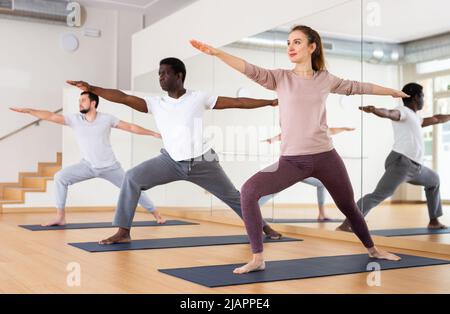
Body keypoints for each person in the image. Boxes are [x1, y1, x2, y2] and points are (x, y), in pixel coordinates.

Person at [191, 24, 408, 274]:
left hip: (326, 158)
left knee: (348, 206)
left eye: (297, 42)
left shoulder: (325, 79)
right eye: (288, 43)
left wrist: (391, 91)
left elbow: (358, 87)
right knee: (249, 191)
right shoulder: (280, 77)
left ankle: (373, 250)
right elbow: (248, 68)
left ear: (312, 47)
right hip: (292, 161)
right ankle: (258, 257)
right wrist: (218, 53)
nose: (290, 48)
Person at [67, 57, 283, 244]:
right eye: (159, 74)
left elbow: (238, 102)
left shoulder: (199, 97)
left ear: (179, 76)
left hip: (203, 162)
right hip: (170, 161)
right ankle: (123, 231)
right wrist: (92, 88)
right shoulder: (156, 103)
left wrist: (270, 102)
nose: (160, 77)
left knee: (234, 197)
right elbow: (123, 97)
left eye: (165, 73)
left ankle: (264, 227)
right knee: (131, 177)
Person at [10, 91, 165, 226]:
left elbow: (130, 127)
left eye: (83, 100)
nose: (79, 103)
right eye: (79, 101)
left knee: (132, 186)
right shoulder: (74, 119)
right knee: (60, 178)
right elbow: (51, 116)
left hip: (110, 167)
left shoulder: (107, 119)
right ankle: (60, 217)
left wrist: (153, 133)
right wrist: (30, 111)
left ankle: (156, 214)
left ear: (93, 103)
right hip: (87, 166)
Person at [337, 83, 449, 232]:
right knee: (378, 195)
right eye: (423, 96)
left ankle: (434, 221)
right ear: (416, 97)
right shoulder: (402, 111)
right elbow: (390, 113)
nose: (424, 100)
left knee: (434, 180)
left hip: (415, 167)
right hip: (401, 164)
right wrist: (375, 110)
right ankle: (348, 223)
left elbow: (436, 119)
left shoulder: (416, 117)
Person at [259, 127, 355, 221]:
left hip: (303, 169)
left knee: (321, 184)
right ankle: (254, 208)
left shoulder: (315, 131)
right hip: (294, 167)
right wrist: (272, 139)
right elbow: (283, 135)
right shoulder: (302, 130)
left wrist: (344, 129)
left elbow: (331, 131)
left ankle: (321, 214)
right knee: (277, 187)